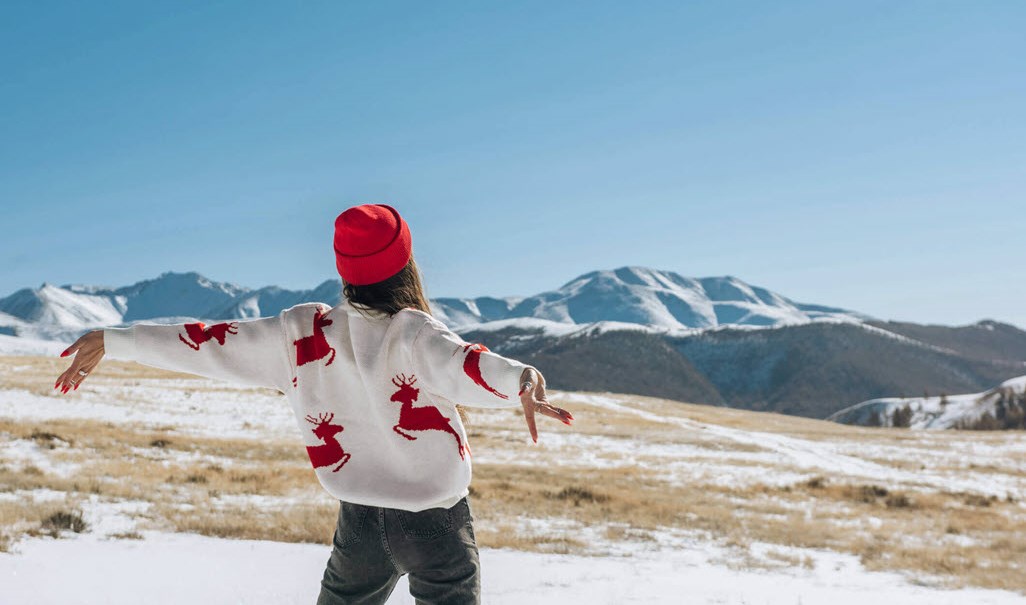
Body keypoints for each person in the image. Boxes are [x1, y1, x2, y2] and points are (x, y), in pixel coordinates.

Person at [53, 203, 574, 605]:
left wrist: (116, 340)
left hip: (361, 526)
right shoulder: (415, 336)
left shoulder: (297, 334)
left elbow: (210, 342)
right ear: (406, 265)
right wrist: (523, 381)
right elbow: (469, 363)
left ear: (345, 269)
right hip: (439, 523)